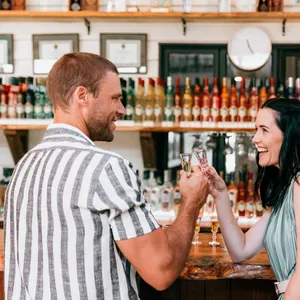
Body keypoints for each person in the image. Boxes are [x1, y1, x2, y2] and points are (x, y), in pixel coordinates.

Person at [4, 52, 209, 300]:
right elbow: (161, 271)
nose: (121, 109)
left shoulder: (24, 165)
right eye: (114, 98)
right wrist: (191, 202)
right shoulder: (106, 168)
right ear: (82, 96)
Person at [207, 97, 300, 299]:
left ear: (290, 136)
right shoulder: (287, 191)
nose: (255, 138)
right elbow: (240, 250)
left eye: (264, 130)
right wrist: (221, 195)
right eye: (256, 129)